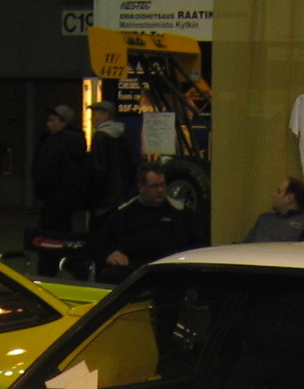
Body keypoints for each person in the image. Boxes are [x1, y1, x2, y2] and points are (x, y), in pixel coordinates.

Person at [88, 163, 200, 283]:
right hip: (133, 272)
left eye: (163, 185)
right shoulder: (124, 214)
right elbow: (97, 245)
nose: (160, 190)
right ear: (141, 187)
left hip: (171, 271)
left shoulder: (179, 211)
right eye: (155, 186)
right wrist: (109, 255)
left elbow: (197, 245)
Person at [31, 104, 88, 275]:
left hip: (53, 200)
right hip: (68, 200)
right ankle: (75, 268)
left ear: (64, 123)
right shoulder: (78, 141)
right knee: (64, 237)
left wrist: (41, 192)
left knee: (49, 241)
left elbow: (43, 171)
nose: (48, 124)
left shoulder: (54, 143)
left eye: (52, 120)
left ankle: (48, 275)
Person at [86, 99, 137, 228]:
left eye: (97, 114)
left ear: (106, 115)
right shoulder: (122, 135)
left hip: (104, 196)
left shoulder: (100, 137)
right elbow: (132, 164)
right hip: (121, 194)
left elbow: (98, 169)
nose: (94, 118)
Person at [243, 177, 304, 243]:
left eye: (278, 192)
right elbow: (246, 246)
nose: (273, 195)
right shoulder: (264, 219)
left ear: (289, 198)